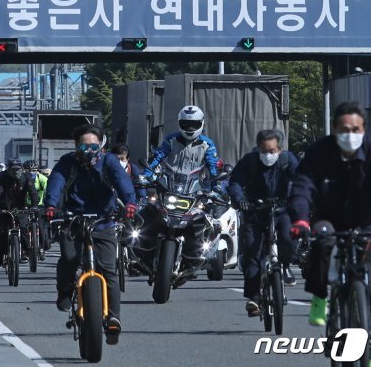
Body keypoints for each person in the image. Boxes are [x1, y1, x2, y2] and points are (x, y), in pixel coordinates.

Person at [44, 124, 137, 345]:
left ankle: (113, 317)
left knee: (109, 270)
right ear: (76, 146)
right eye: (84, 146)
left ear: (101, 145)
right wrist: (51, 205)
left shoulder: (110, 161)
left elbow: (122, 182)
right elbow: (56, 182)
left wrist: (130, 203)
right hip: (73, 220)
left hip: (103, 221)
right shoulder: (68, 162)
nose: (89, 150)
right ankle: (65, 291)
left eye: (93, 145)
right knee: (69, 258)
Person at [288, 102, 371, 326]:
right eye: (344, 130)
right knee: (323, 242)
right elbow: (302, 187)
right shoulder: (319, 153)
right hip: (328, 217)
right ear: (334, 129)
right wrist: (300, 219)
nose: (350, 135)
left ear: (363, 130)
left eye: (356, 130)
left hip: (364, 221)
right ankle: (320, 296)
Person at [228, 129, 298, 317]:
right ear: (258, 148)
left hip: (281, 212)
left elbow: (301, 181)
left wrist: (297, 200)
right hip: (255, 212)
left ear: (280, 149)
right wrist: (239, 199)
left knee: (288, 238)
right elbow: (235, 182)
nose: (268, 155)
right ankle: (254, 298)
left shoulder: (288, 161)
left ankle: (284, 266)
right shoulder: (249, 162)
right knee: (252, 250)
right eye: (264, 150)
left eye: (272, 151)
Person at [144, 105, 220, 185]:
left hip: (196, 188)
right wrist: (146, 176)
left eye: (194, 124)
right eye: (186, 124)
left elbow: (212, 166)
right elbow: (157, 158)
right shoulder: (171, 140)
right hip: (170, 185)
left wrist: (216, 185)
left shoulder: (207, 144)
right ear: (179, 122)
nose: (190, 128)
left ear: (201, 123)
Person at [0, 158, 39, 266]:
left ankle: (25, 252)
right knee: (3, 231)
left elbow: (33, 192)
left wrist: (35, 205)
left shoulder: (26, 178)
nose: (16, 172)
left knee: (24, 228)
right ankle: (0, 253)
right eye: (13, 170)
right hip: (5, 208)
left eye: (18, 170)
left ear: (22, 169)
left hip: (21, 208)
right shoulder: (3, 179)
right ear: (8, 170)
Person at [24, 159, 51, 251]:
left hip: (40, 205)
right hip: (25, 205)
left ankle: (42, 246)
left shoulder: (42, 178)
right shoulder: (22, 179)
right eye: (28, 170)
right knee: (23, 226)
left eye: (34, 170)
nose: (31, 172)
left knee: (41, 225)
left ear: (37, 170)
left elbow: (49, 191)